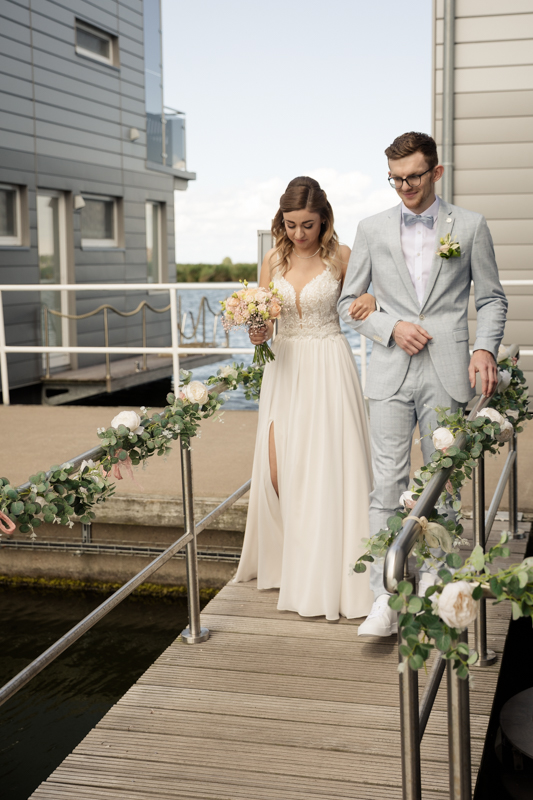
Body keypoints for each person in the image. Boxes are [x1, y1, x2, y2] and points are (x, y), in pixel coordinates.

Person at [338, 131, 507, 637]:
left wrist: (484, 348)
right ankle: (384, 599)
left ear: (436, 172)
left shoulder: (471, 226)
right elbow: (349, 302)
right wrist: (389, 326)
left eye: (414, 176)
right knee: (386, 483)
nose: (405, 187)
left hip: (450, 368)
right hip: (390, 369)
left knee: (444, 485)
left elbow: (492, 299)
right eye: (396, 179)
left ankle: (435, 583)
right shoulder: (370, 229)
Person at [232, 176, 376, 621]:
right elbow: (265, 327)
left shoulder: (343, 257)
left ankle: (332, 573)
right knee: (278, 469)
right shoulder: (273, 259)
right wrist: (256, 330)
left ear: (324, 220)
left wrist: (370, 295)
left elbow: (373, 299)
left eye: (308, 224)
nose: (299, 233)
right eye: (291, 224)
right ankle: (291, 562)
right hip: (284, 368)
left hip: (329, 363)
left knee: (329, 466)